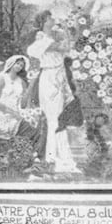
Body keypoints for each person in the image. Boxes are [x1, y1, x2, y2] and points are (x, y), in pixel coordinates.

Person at [27, 10, 79, 173]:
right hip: (49, 78)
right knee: (53, 119)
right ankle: (51, 158)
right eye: (49, 18)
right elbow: (63, 47)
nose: (53, 19)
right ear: (43, 22)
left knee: (59, 119)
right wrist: (64, 32)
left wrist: (65, 31)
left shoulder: (55, 36)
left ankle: (60, 157)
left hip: (59, 78)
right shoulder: (42, 38)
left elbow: (67, 49)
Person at [0, 54, 44, 155]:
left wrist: (31, 84)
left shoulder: (21, 82)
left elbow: (23, 104)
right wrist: (11, 112)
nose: (19, 67)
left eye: (21, 65)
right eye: (17, 64)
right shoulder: (2, 78)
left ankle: (25, 155)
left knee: (34, 130)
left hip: (16, 114)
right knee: (6, 134)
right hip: (1, 112)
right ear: (12, 63)